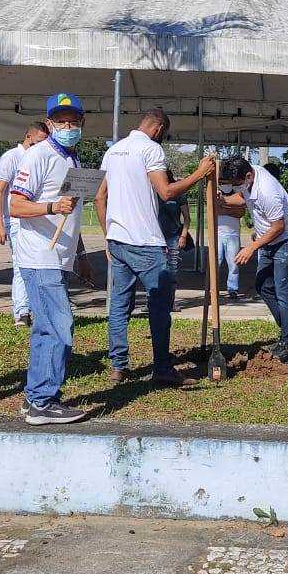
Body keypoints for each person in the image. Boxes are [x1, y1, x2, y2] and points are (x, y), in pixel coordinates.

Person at [96, 108, 215, 386]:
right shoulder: (151, 150)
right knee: (160, 305)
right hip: (146, 242)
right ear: (159, 129)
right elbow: (167, 192)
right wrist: (199, 173)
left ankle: (119, 366)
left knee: (119, 305)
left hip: (117, 241)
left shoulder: (114, 151)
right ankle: (162, 369)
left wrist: (108, 235)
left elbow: (100, 198)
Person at [10, 93, 97, 425]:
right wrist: (50, 207)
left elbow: (71, 215)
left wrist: (81, 254)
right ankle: (42, 402)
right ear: (49, 123)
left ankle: (37, 397)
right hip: (40, 256)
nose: (68, 126)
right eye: (61, 121)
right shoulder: (38, 156)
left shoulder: (72, 160)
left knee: (48, 327)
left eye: (73, 121)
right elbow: (14, 206)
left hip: (59, 257)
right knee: (58, 327)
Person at [219, 156, 288, 363]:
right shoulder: (250, 176)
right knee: (263, 285)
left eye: (238, 183)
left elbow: (279, 226)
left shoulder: (268, 191)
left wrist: (252, 247)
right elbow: (242, 198)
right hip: (268, 239)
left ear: (248, 176)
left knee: (283, 292)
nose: (237, 187)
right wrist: (223, 200)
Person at [0, 121, 50, 328]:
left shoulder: (42, 157)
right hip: (15, 220)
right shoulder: (12, 157)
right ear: (29, 136)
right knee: (20, 264)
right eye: (41, 140)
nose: (44, 144)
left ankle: (36, 308)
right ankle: (21, 311)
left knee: (37, 263)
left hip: (35, 217)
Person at [157, 168, 192, 312]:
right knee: (155, 272)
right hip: (156, 239)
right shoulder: (154, 193)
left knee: (171, 272)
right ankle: (153, 302)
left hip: (173, 238)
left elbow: (187, 218)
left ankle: (170, 302)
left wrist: (183, 235)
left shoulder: (178, 195)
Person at [216, 200, 243, 301]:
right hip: (218, 234)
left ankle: (233, 289)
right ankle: (213, 288)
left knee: (234, 264)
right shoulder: (217, 196)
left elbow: (241, 213)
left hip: (233, 234)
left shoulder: (237, 196)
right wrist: (231, 210)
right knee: (215, 263)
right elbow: (214, 210)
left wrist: (224, 209)